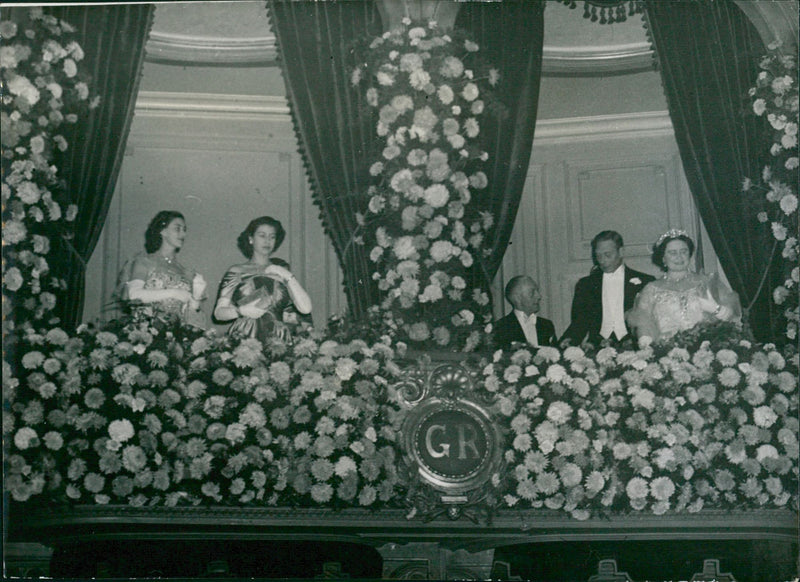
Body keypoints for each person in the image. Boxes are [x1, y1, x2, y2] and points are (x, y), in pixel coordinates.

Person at [626, 229, 741, 345]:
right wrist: (645, 344)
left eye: (684, 251)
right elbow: (643, 324)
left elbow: (733, 319)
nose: (679, 257)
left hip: (706, 351)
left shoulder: (707, 282)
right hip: (667, 354)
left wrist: (717, 309)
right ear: (663, 258)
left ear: (689, 254)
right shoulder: (651, 289)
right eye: (672, 253)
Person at [214, 216, 312, 343]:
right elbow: (218, 313)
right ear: (250, 239)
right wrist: (240, 311)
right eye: (262, 235)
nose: (267, 241)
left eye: (272, 237)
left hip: (278, 339)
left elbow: (306, 308)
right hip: (245, 337)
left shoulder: (282, 271)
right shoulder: (236, 271)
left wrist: (287, 275)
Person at [560, 230, 654, 348]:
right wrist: (567, 342)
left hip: (635, 347)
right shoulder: (585, 284)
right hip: (596, 348)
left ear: (621, 251)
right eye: (598, 256)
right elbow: (579, 323)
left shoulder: (646, 282)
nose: (602, 261)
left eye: (608, 255)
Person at [117, 210, 207, 328]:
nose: (183, 234)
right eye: (177, 228)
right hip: (147, 330)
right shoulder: (144, 262)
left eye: (184, 230)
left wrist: (196, 298)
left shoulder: (185, 271)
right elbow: (133, 295)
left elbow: (193, 318)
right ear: (163, 231)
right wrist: (174, 293)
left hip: (175, 335)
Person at [493, 276, 557, 350]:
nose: (539, 296)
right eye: (532, 293)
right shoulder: (501, 328)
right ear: (517, 298)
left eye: (537, 291)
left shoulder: (547, 325)